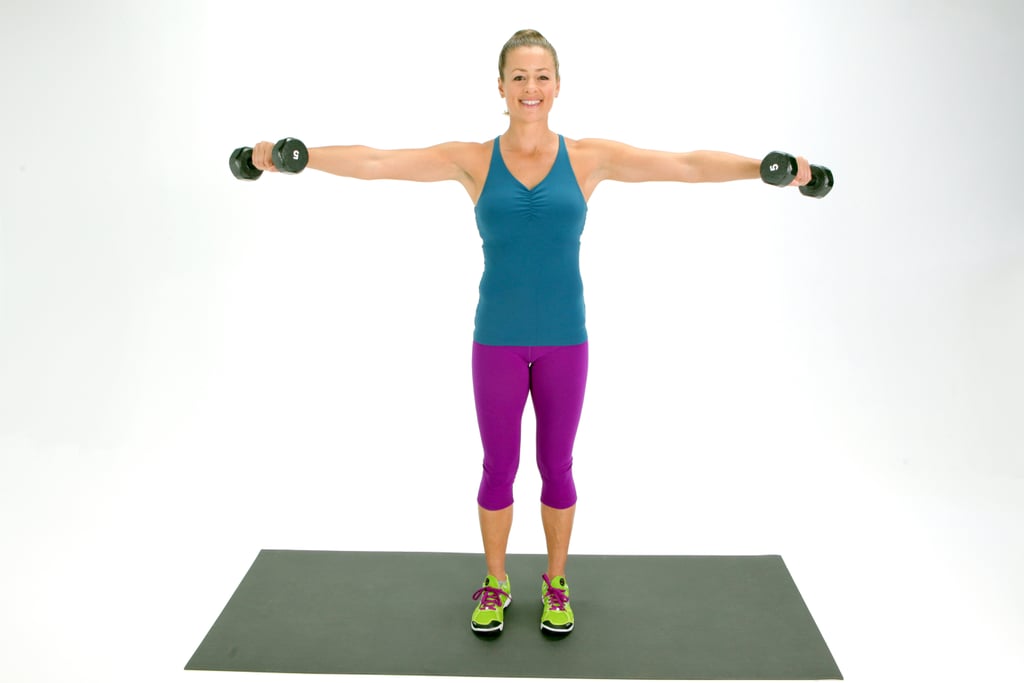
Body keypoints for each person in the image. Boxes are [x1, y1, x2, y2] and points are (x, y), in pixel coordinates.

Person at [248, 29, 814, 637]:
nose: (530, 87)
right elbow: (378, 162)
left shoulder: (589, 158)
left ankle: (555, 583)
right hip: (496, 341)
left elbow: (683, 165)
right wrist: (295, 156)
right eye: (518, 76)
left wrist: (763, 171)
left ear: (558, 86)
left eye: (541, 76)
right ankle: (495, 584)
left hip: (565, 341)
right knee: (498, 467)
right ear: (500, 87)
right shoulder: (472, 160)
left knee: (557, 466)